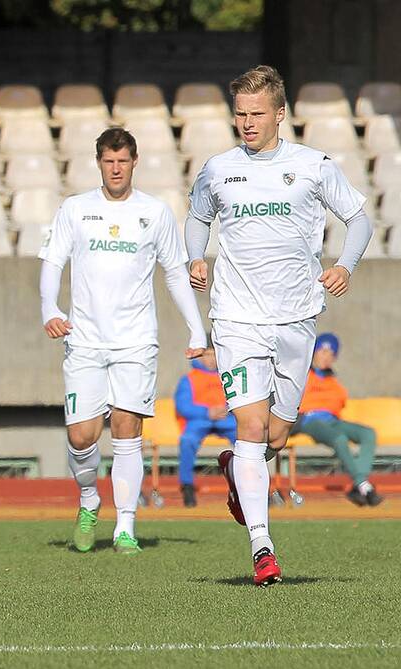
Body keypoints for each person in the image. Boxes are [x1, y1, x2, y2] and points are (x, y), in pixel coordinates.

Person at [187, 65, 372, 585]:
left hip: (296, 318)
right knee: (249, 427)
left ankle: (235, 471)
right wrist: (194, 256)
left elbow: (358, 219)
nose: (246, 123)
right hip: (237, 317)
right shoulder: (218, 168)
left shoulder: (313, 166)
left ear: (279, 114)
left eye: (256, 114)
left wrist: (344, 265)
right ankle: (262, 549)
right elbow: (197, 217)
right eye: (240, 114)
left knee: (276, 435)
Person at [41, 127, 208, 556]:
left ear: (135, 162)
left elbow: (174, 272)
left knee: (126, 430)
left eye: (123, 161)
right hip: (85, 340)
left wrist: (196, 328)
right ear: (98, 163)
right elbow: (53, 260)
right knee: (81, 436)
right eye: (108, 161)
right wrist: (50, 310)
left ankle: (125, 527)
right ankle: (88, 499)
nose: (116, 168)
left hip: (136, 341)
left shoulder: (154, 213)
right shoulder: (76, 209)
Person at [295, 333, 384, 507]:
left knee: (368, 433)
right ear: (314, 352)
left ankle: (358, 485)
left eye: (331, 353)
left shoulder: (333, 381)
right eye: (322, 351)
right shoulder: (303, 374)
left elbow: (340, 401)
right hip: (309, 420)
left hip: (333, 420)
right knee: (339, 438)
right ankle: (363, 485)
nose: (326, 356)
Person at [173, 346, 236, 507]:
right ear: (200, 357)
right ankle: (187, 486)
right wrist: (206, 412)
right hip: (199, 420)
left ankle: (249, 484)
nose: (211, 359)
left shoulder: (228, 376)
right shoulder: (189, 379)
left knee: (248, 440)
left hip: (226, 419)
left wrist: (227, 409)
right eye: (208, 355)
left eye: (215, 355)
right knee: (187, 440)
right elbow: (182, 406)